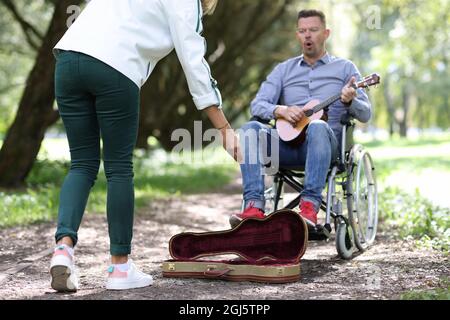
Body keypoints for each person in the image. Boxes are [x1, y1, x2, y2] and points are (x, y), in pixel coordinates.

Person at [50, 0, 238, 292]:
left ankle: (63, 249)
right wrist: (224, 129)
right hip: (114, 67)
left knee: (82, 164)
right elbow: (193, 61)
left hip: (68, 58)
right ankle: (120, 267)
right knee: (118, 169)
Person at [229, 9, 371, 228]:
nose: (307, 35)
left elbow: (366, 114)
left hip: (325, 147)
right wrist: (281, 110)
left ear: (326, 33)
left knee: (316, 126)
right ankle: (254, 207)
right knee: (249, 129)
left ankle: (309, 208)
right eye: (302, 31)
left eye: (313, 30)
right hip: (286, 147)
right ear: (297, 35)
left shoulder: (345, 68)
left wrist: (351, 101)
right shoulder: (283, 70)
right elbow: (257, 105)